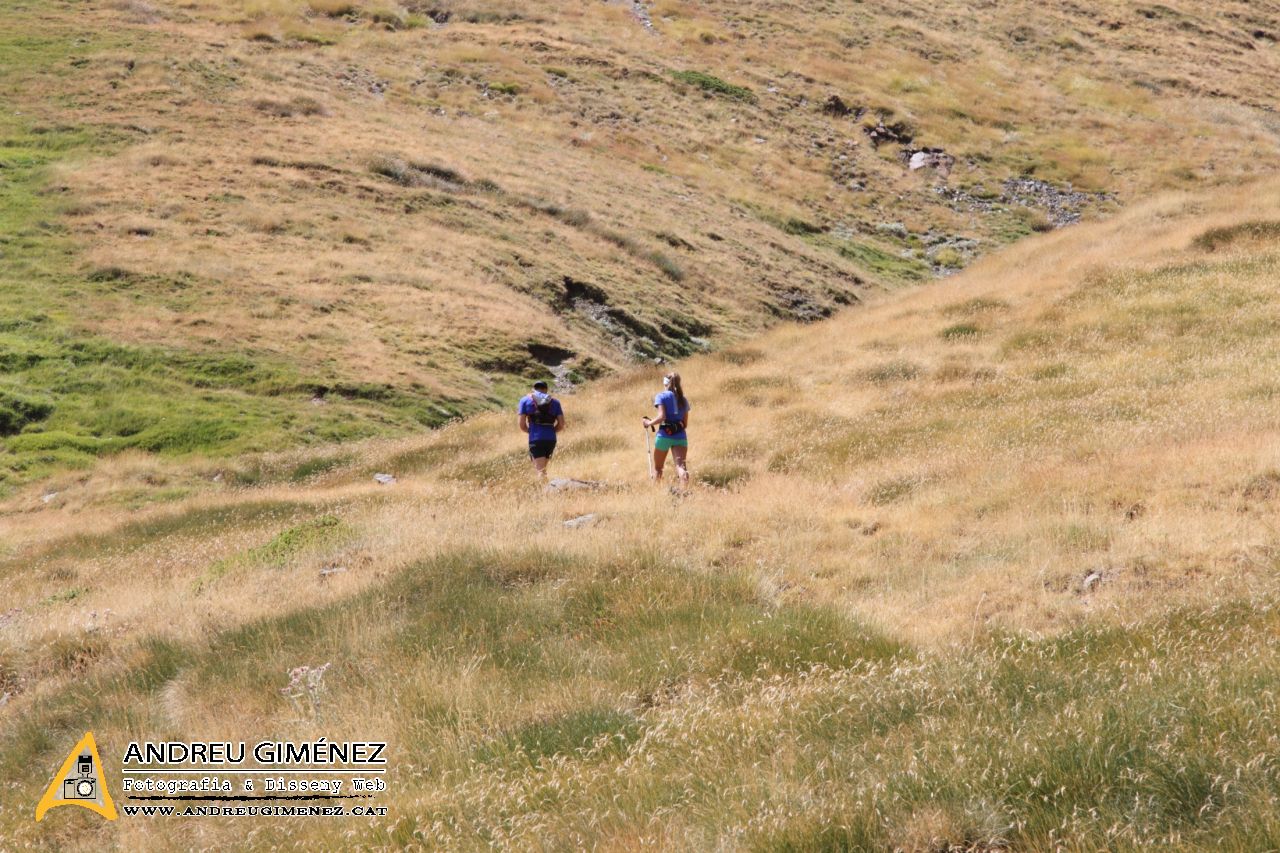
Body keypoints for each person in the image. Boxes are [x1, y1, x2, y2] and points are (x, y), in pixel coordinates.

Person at [642, 371, 690, 486]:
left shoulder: (661, 396)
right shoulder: (683, 400)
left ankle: (655, 493)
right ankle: (685, 490)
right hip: (680, 437)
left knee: (658, 468)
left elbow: (662, 416)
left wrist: (648, 423)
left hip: (664, 436)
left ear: (665, 383)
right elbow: (685, 423)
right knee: (680, 466)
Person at [518, 380, 564, 480]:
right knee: (543, 469)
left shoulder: (525, 400)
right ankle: (545, 490)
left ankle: (542, 494)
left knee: (540, 471)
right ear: (546, 390)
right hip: (551, 439)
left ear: (534, 389)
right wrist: (552, 431)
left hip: (536, 438)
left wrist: (530, 432)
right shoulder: (555, 402)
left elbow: (522, 425)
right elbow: (561, 424)